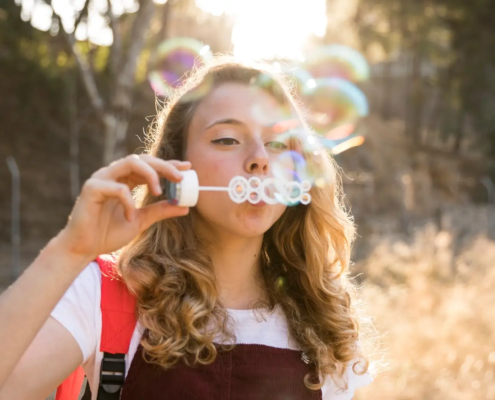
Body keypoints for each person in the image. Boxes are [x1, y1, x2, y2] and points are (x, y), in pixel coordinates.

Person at [0, 56, 373, 400]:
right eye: (227, 138)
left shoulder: (325, 326)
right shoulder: (107, 296)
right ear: (178, 164)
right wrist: (70, 250)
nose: (260, 158)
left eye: (277, 142)